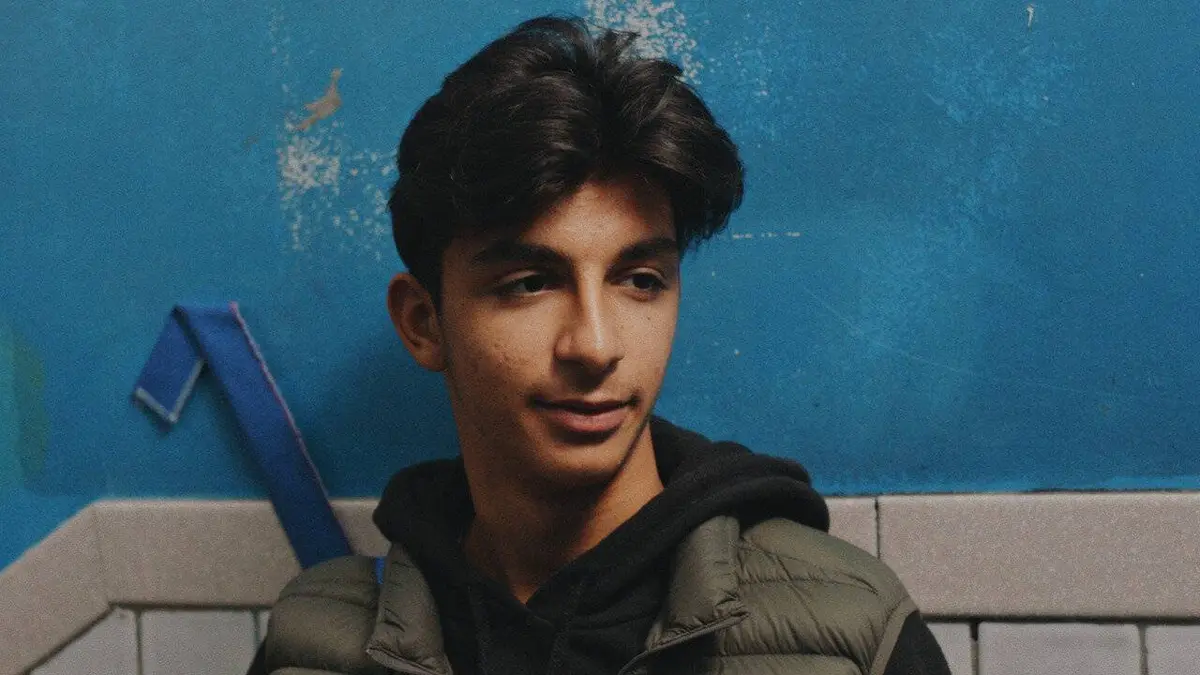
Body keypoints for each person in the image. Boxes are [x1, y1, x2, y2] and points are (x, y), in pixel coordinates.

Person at [252, 15, 951, 675]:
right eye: (529, 284)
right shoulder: (309, 648)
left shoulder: (852, 635)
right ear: (422, 323)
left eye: (640, 280)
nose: (595, 344)